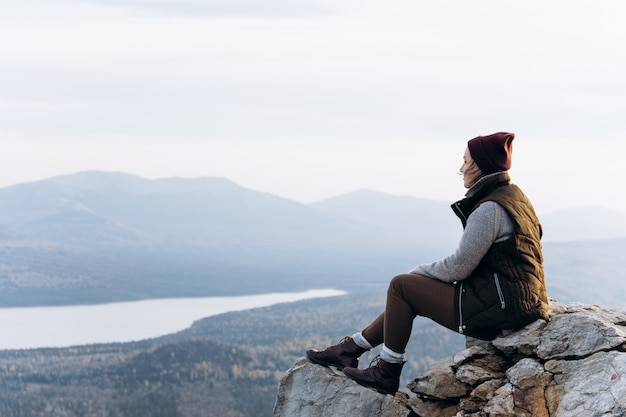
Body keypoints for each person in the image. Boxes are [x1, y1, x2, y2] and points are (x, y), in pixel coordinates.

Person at [306, 132, 549, 395]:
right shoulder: (514, 197)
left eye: (465, 161)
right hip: (515, 301)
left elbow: (459, 267)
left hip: (500, 308)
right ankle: (349, 350)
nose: (460, 168)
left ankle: (386, 371)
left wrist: (418, 274)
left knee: (402, 286)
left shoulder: (490, 208)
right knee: (408, 292)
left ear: (479, 166)